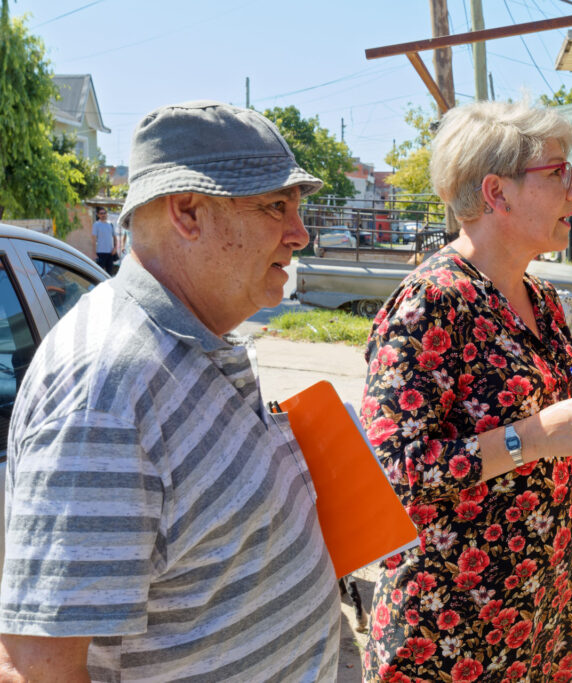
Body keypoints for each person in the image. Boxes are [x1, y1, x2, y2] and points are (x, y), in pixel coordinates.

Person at [359, 101, 572, 683]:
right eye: (559, 172)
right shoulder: (431, 303)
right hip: (449, 636)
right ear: (497, 192)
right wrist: (532, 436)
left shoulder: (542, 301)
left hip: (538, 621)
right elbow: (394, 471)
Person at [0, 101, 342, 681]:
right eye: (275, 206)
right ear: (187, 211)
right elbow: (37, 669)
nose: (299, 233)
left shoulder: (191, 335)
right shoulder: (104, 390)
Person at [91, 206, 117, 275]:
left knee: (110, 273)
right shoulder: (96, 225)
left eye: (104, 213)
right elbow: (93, 239)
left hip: (110, 253)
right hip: (100, 252)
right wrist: (94, 253)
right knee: (99, 273)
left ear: (106, 214)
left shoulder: (110, 224)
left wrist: (115, 248)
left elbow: (115, 237)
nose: (103, 215)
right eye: (101, 213)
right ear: (98, 215)